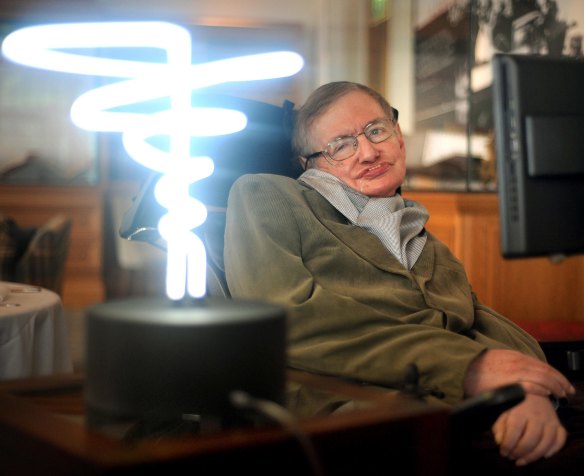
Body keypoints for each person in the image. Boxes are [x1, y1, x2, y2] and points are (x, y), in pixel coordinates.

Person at [223, 81, 578, 470]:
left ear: (399, 139)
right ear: (310, 164)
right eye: (340, 145)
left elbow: (480, 321)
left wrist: (526, 389)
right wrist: (471, 368)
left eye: (376, 131)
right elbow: (283, 319)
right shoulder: (269, 193)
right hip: (348, 418)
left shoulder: (421, 237)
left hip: (447, 407)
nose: (369, 151)